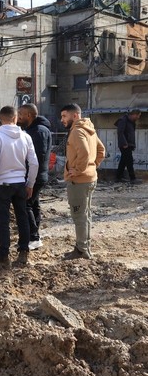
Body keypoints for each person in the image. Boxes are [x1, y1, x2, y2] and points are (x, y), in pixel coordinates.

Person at [0, 106, 39, 268]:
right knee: (22, 218)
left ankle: (3, 257)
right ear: (15, 118)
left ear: (1, 119)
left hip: (2, 184)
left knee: (3, 221)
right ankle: (23, 253)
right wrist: (30, 183)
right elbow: (34, 163)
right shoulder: (26, 136)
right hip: (20, 184)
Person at [60, 103, 105, 260]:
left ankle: (81, 250)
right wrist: (92, 167)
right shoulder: (89, 129)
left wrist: (79, 170)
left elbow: (85, 153)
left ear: (75, 116)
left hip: (79, 181)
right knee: (85, 215)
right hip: (89, 178)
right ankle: (84, 247)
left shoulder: (77, 131)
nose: (62, 120)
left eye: (64, 116)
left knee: (79, 215)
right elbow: (101, 151)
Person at [17, 103, 52, 250]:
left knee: (26, 205)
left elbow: (36, 158)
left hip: (35, 176)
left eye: (21, 115)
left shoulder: (37, 132)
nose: (18, 118)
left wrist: (29, 180)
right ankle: (34, 236)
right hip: (36, 175)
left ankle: (34, 237)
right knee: (34, 204)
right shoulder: (34, 130)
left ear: (29, 116)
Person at [115, 109, 141, 184]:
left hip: (129, 144)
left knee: (123, 161)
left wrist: (132, 144)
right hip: (125, 145)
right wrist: (124, 143)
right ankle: (133, 178)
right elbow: (120, 132)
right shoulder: (123, 120)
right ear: (134, 114)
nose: (138, 117)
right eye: (138, 116)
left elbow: (130, 133)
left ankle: (118, 177)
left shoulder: (131, 122)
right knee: (129, 160)